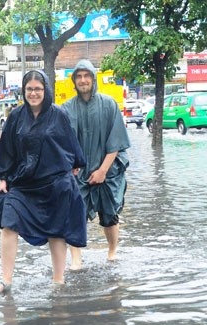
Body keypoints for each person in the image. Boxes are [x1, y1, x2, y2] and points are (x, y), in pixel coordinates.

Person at [0, 70, 87, 296]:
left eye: (38, 89)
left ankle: (58, 281)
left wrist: (75, 164)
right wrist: (3, 179)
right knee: (9, 221)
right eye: (29, 89)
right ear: (23, 91)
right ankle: (5, 279)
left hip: (55, 182)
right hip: (24, 183)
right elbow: (7, 150)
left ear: (46, 90)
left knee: (57, 231)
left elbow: (71, 144)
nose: (33, 93)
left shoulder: (58, 115)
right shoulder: (15, 116)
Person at [62, 59, 130, 269]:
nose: (83, 80)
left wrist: (102, 170)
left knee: (110, 215)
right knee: (74, 215)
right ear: (74, 81)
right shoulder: (66, 109)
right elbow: (61, 143)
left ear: (93, 78)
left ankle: (112, 252)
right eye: (79, 77)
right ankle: (76, 259)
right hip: (77, 174)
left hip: (107, 171)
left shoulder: (109, 104)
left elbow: (116, 141)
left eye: (86, 76)